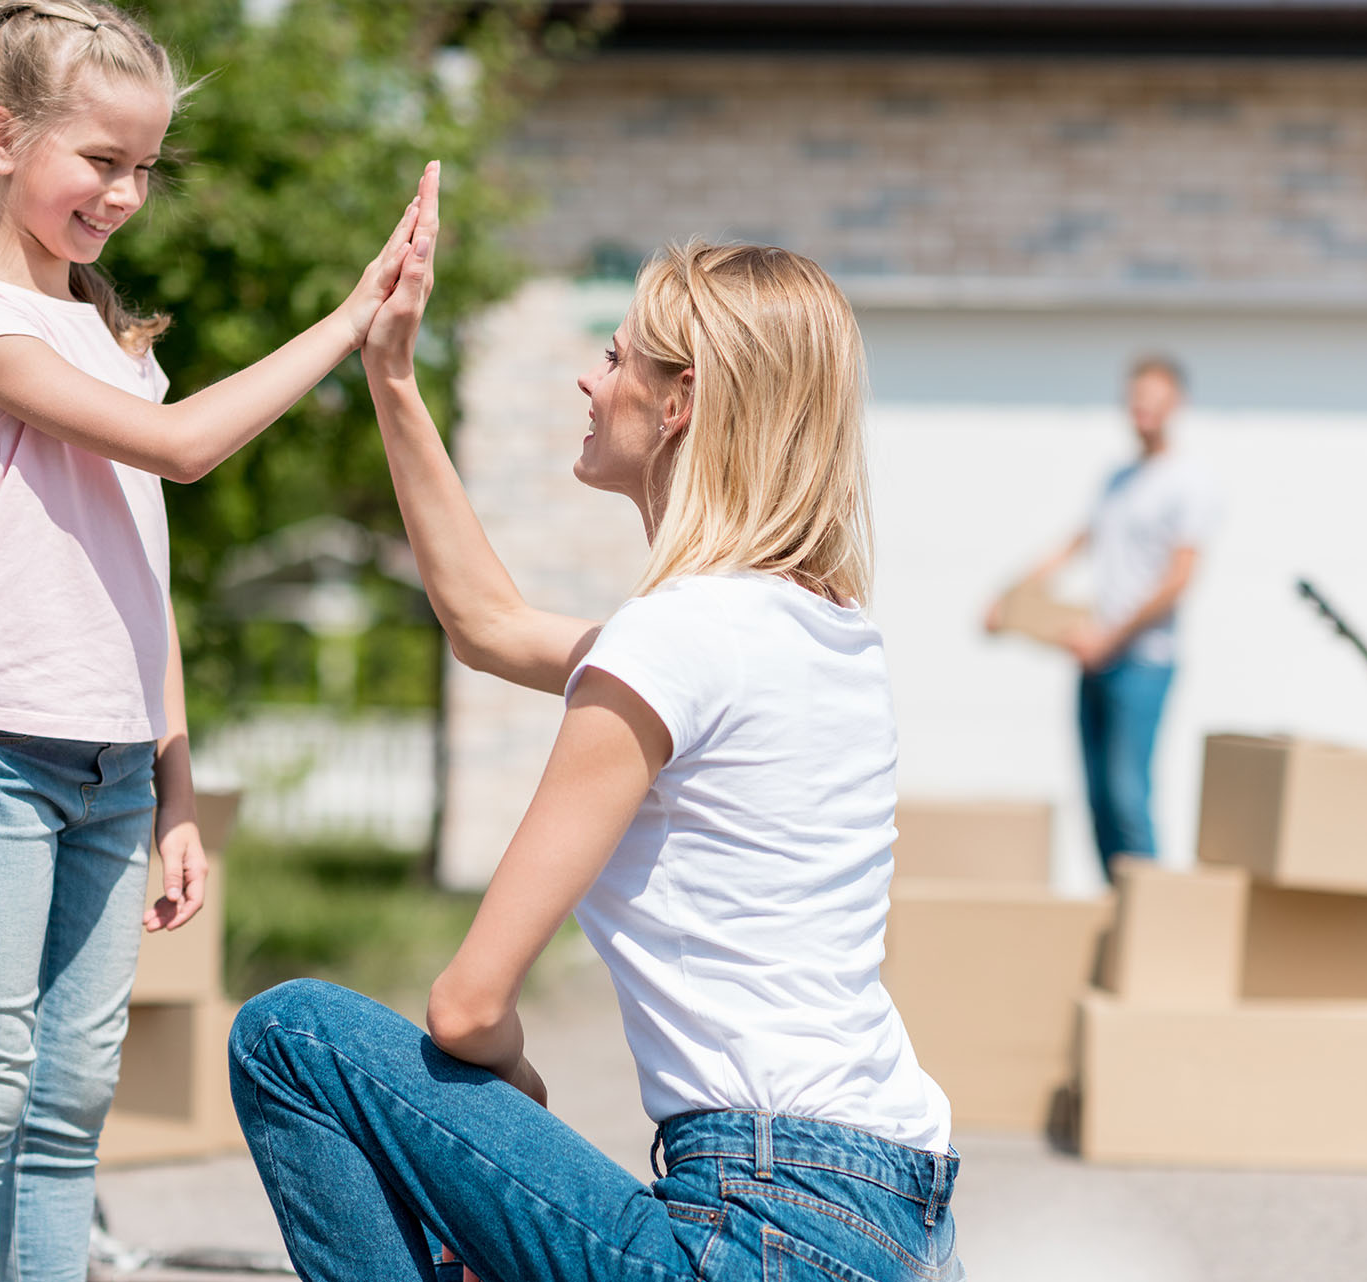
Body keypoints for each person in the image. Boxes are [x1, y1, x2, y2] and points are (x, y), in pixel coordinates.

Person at [228, 168, 964, 1282]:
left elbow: (469, 1002)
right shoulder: (820, 628)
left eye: (616, 356)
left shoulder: (672, 640)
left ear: (680, 405)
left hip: (760, 1227)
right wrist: (392, 376)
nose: (590, 374)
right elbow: (486, 622)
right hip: (898, 1222)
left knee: (291, 1035)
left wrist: (493, 1124)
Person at [0, 4, 422, 1277]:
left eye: (144, 168)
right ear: (2, 139)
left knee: (69, 1105)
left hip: (117, 769)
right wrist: (350, 322)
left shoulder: (117, 344)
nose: (126, 193)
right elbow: (183, 454)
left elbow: (141, 578)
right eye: (101, 161)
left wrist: (175, 782)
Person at [988, 356, 1216, 880]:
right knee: (1097, 801)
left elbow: (1180, 578)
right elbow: (1076, 544)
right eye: (1137, 401)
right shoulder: (1118, 479)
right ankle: (1116, 913)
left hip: (1143, 662)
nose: (1145, 412)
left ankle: (1153, 928)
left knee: (1129, 797)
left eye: (1157, 401)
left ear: (1177, 405)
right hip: (1095, 657)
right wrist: (1009, 597)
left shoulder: (1190, 482)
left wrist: (1111, 638)